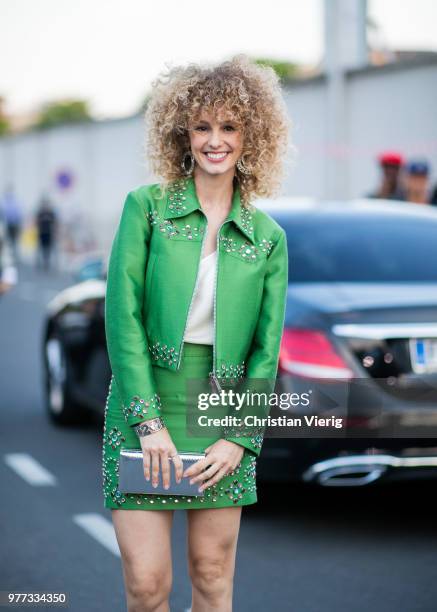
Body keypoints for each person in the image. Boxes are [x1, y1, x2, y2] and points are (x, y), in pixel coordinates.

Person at [102, 54, 290, 612]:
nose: (215, 140)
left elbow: (266, 350)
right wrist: (147, 420)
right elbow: (122, 317)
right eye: (203, 126)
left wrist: (239, 437)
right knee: (147, 586)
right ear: (182, 132)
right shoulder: (147, 209)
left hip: (222, 417)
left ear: (250, 135)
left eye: (229, 126)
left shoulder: (268, 237)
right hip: (146, 408)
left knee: (212, 580)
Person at [0, 183, 23, 262]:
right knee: (9, 242)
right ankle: (11, 257)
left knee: (13, 241)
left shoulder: (14, 201)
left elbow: (19, 214)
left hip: (13, 224)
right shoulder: (4, 201)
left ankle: (14, 257)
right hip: (8, 224)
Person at [35, 195, 58, 270]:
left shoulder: (51, 212)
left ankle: (47, 262)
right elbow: (36, 222)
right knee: (41, 248)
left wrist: (55, 232)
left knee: (48, 249)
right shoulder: (40, 212)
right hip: (41, 232)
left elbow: (55, 223)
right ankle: (40, 263)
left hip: (49, 233)